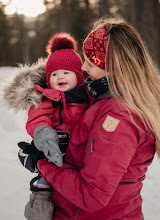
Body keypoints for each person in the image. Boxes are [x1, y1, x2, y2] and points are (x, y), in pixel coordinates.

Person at [3, 17, 160, 219]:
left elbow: (91, 195)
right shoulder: (99, 97)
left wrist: (41, 161)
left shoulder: (118, 118)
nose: (84, 69)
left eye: (89, 63)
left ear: (112, 67)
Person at [1, 33, 90, 220]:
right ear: (48, 79)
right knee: (44, 183)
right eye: (55, 74)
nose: (60, 77)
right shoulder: (47, 98)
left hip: (79, 153)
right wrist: (43, 132)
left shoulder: (87, 97)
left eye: (66, 72)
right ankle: (39, 208)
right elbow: (37, 118)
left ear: (79, 75)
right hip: (52, 147)